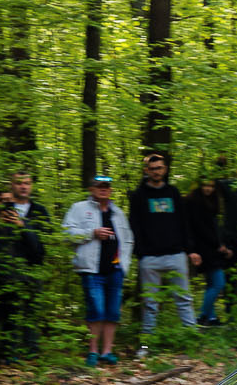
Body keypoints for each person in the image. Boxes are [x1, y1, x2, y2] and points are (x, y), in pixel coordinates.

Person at [128, 151, 197, 342]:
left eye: (159, 168)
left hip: (176, 254)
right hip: (149, 257)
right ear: (146, 171)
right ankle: (147, 343)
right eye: (152, 169)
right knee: (150, 303)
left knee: (183, 298)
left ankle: (191, 340)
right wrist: (140, 252)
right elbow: (134, 225)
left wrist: (190, 249)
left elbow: (184, 222)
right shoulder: (139, 196)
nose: (156, 172)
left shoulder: (173, 193)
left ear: (165, 169)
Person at [65, 174, 132, 366]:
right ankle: (93, 351)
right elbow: (66, 234)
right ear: (91, 189)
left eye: (107, 186)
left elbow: (128, 240)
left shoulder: (117, 213)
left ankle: (107, 351)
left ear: (111, 190)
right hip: (91, 270)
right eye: (99, 186)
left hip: (115, 270)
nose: (104, 189)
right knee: (96, 309)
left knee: (113, 311)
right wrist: (92, 233)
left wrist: (124, 265)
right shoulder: (79, 208)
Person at [0, 189, 45, 364]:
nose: (5, 204)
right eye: (1, 200)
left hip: (17, 278)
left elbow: (37, 249)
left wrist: (22, 227)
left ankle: (9, 354)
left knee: (12, 319)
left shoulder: (24, 222)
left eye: (9, 200)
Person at [184, 176, 235, 326]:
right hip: (205, 249)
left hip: (210, 248)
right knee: (219, 284)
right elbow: (201, 229)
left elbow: (214, 227)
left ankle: (211, 318)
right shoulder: (196, 203)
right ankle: (202, 316)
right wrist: (218, 245)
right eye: (205, 185)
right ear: (200, 186)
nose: (208, 189)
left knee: (211, 283)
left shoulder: (212, 202)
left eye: (211, 186)